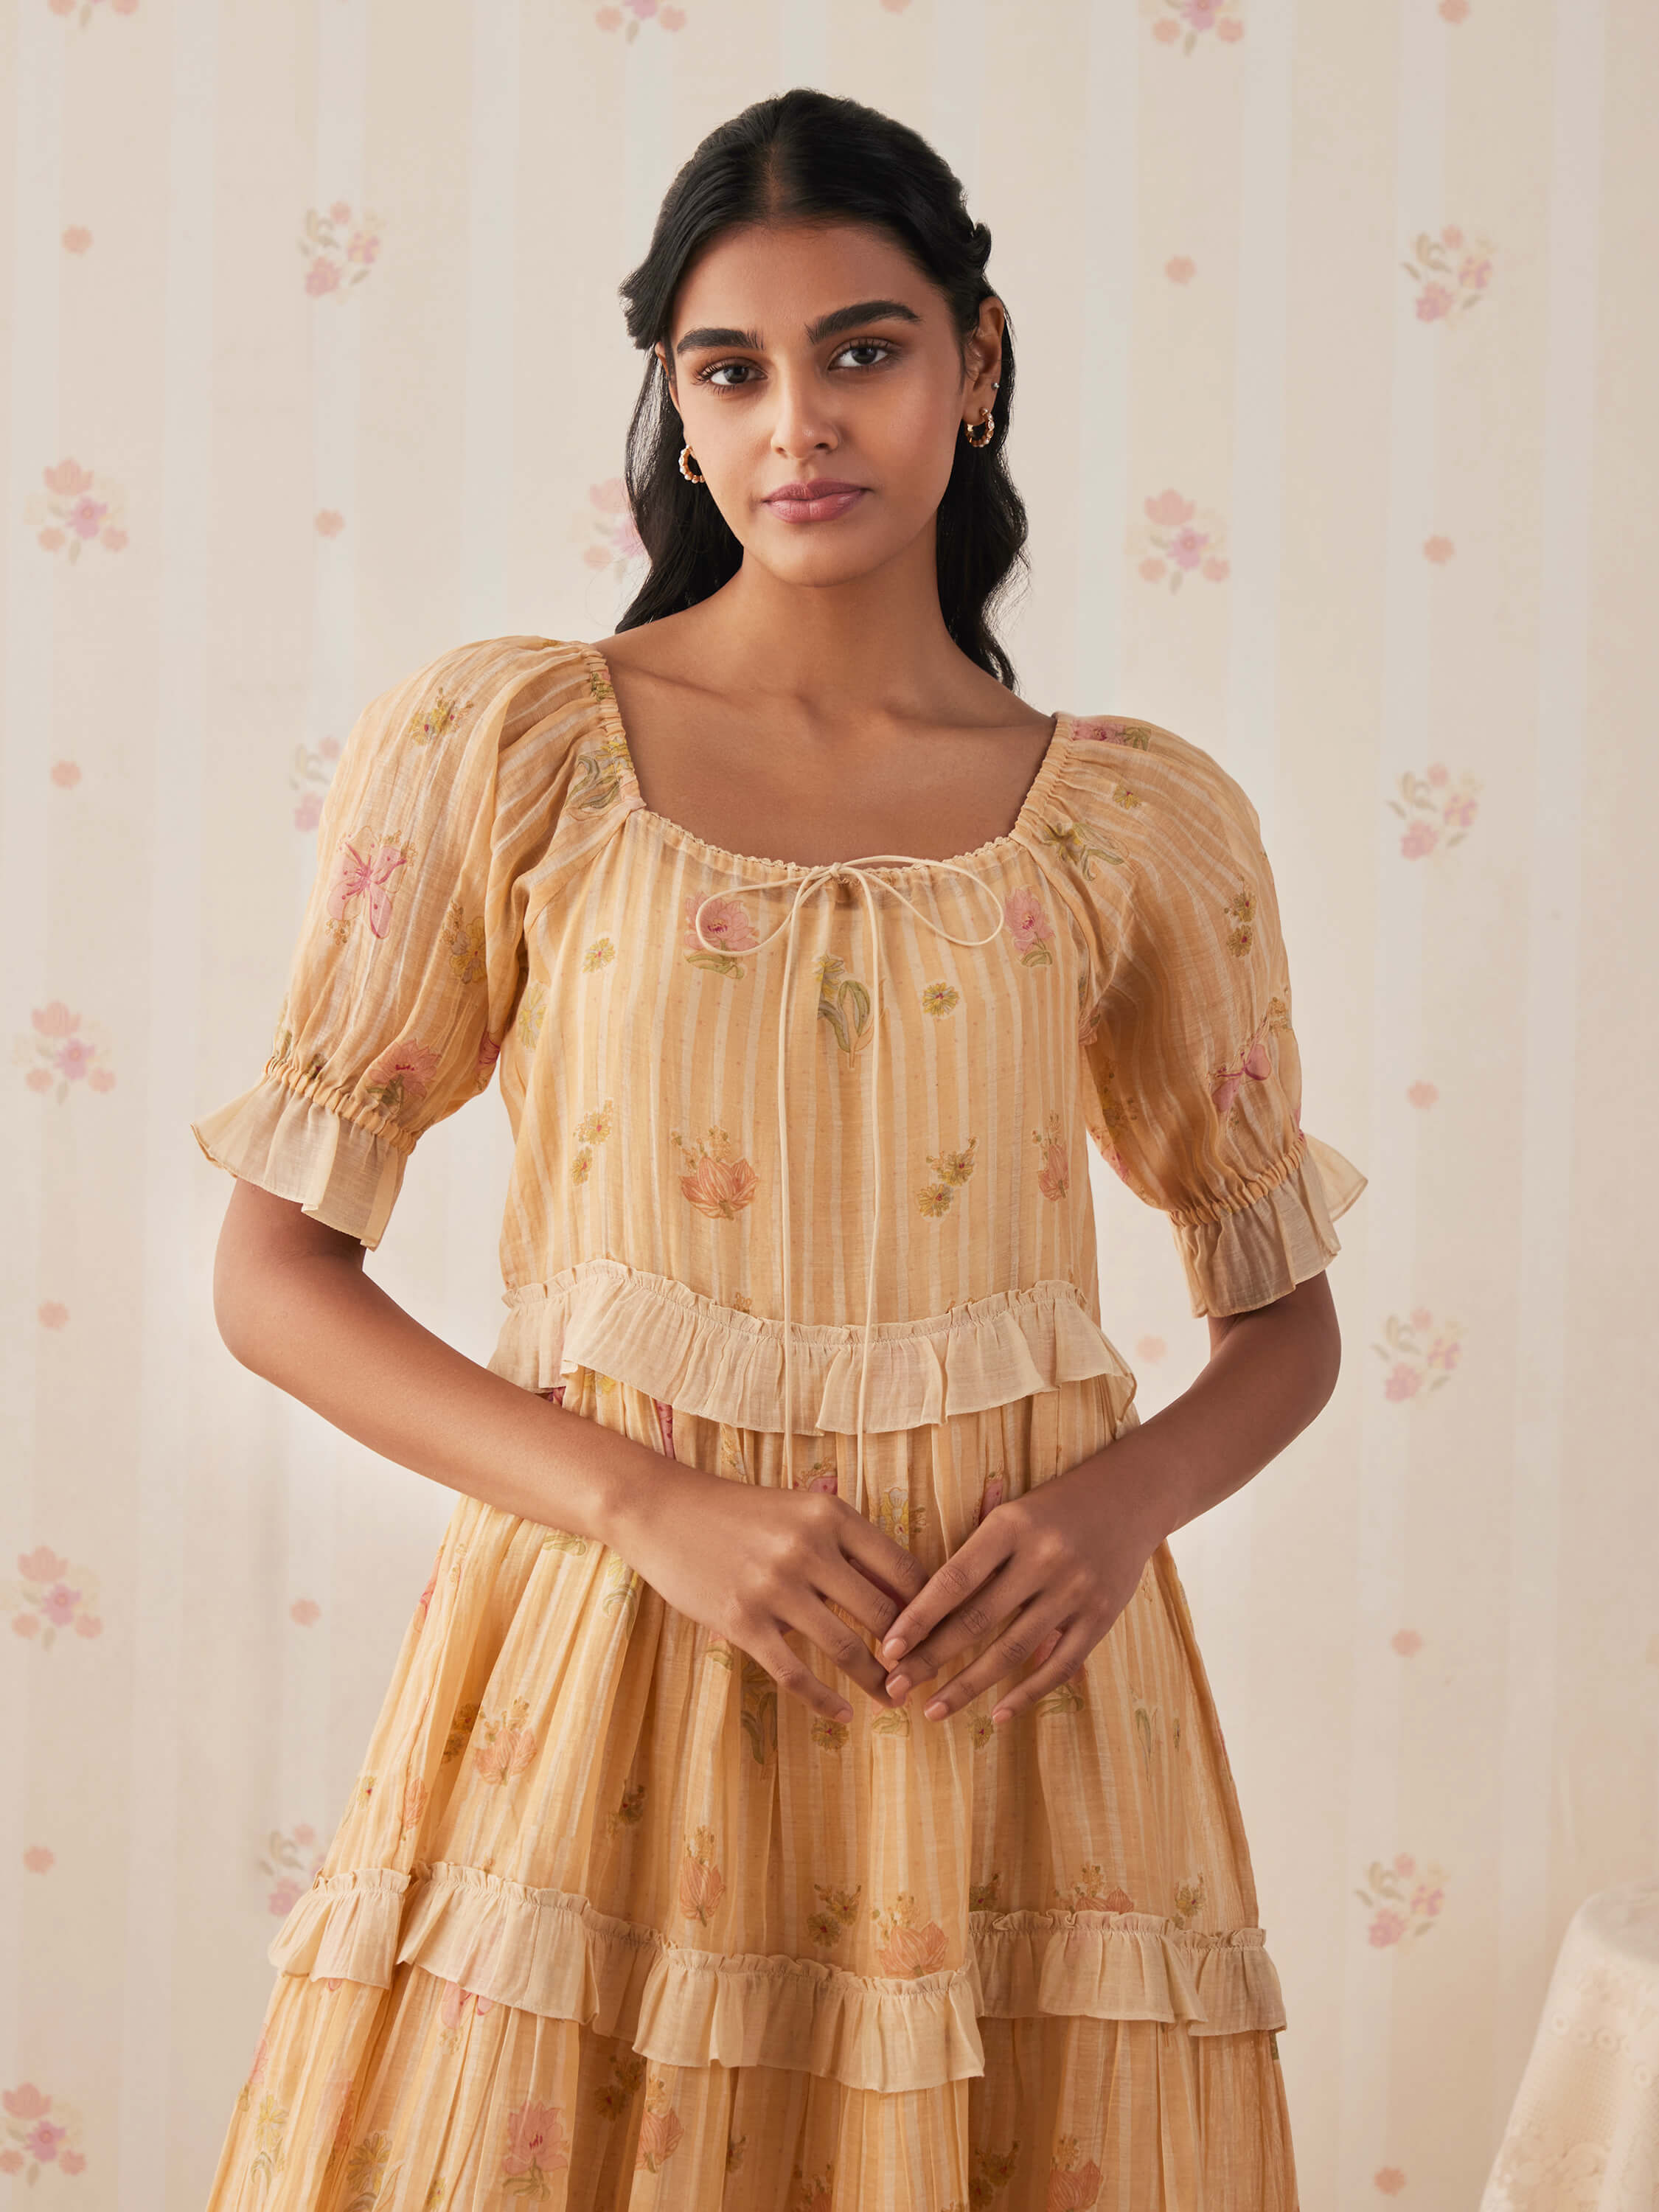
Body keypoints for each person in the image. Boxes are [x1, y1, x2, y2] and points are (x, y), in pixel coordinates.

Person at [192, 86, 1364, 2212]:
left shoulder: (1134, 822)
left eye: (863, 348)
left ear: (973, 362)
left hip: (1016, 1705)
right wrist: (645, 1502)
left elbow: (1279, 1318)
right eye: (728, 370)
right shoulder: (509, 750)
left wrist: (1117, 1509)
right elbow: (272, 1276)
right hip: (612, 1673)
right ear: (671, 397)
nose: (795, 423)